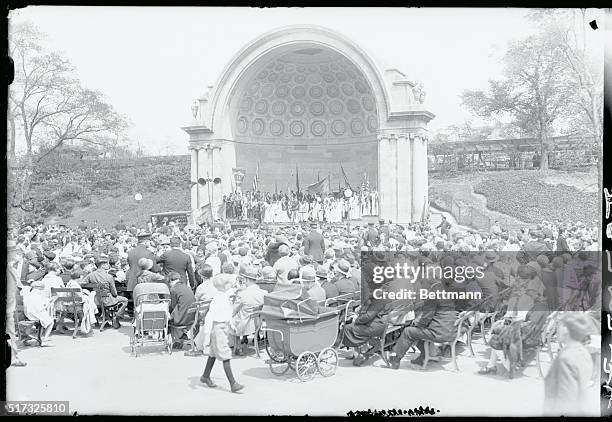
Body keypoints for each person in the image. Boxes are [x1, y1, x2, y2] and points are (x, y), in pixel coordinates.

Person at [543, 313, 596, 415]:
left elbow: (565, 400)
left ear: (566, 330)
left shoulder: (566, 358)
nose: (554, 331)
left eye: (558, 326)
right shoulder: (583, 352)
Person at [200, 274, 244, 393]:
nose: (231, 284)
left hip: (223, 326)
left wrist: (232, 325)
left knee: (213, 353)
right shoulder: (218, 299)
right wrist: (207, 335)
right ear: (224, 286)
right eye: (229, 283)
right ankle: (233, 383)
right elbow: (210, 317)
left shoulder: (223, 295)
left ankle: (205, 376)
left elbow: (227, 312)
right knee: (225, 354)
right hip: (217, 328)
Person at [82, 258, 128, 328]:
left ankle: (101, 319)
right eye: (106, 264)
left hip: (95, 300)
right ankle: (117, 316)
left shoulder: (91, 275)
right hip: (107, 300)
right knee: (125, 300)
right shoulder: (109, 277)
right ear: (102, 265)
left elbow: (82, 283)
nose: (108, 265)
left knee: (106, 301)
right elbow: (114, 293)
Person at [231, 267, 266, 356]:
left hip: (244, 324)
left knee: (230, 318)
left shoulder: (242, 294)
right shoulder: (264, 293)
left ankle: (237, 346)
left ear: (246, 280)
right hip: (257, 324)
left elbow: (233, 311)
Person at [168, 271, 197, 348]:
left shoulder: (173, 290)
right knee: (177, 313)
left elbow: (173, 306)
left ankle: (177, 340)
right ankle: (182, 335)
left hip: (182, 319)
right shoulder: (187, 287)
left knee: (169, 319)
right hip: (192, 317)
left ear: (170, 280)